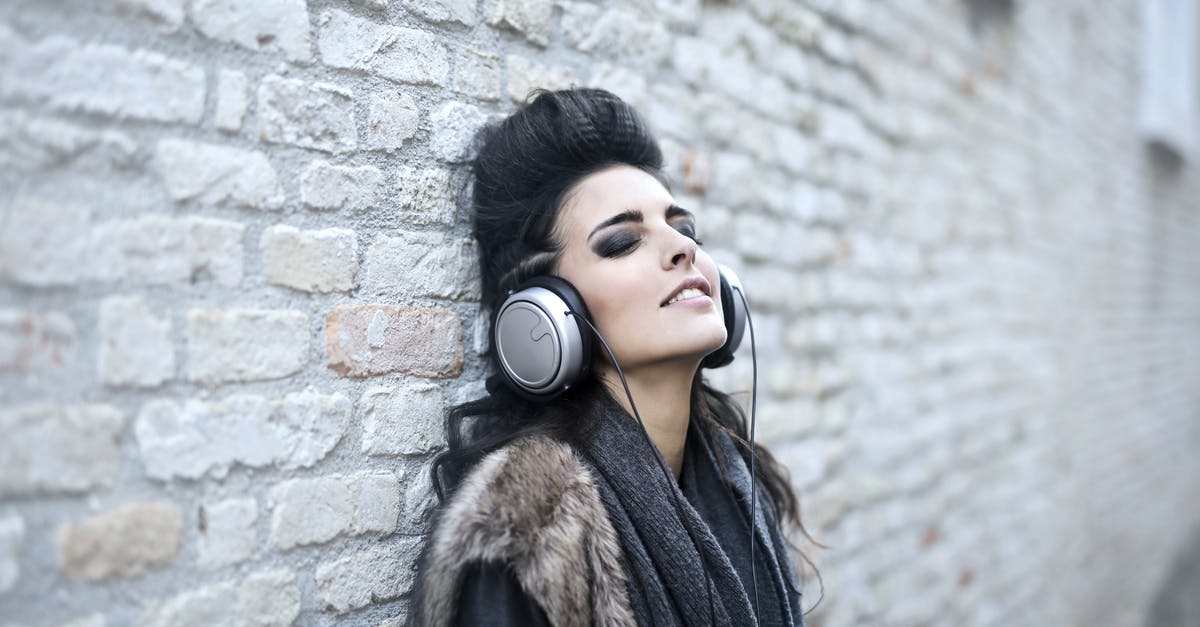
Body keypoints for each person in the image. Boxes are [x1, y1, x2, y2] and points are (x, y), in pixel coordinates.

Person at [409, 87, 812, 626]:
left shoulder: (733, 474)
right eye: (623, 241)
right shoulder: (526, 532)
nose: (683, 248)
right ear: (546, 319)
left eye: (683, 228)